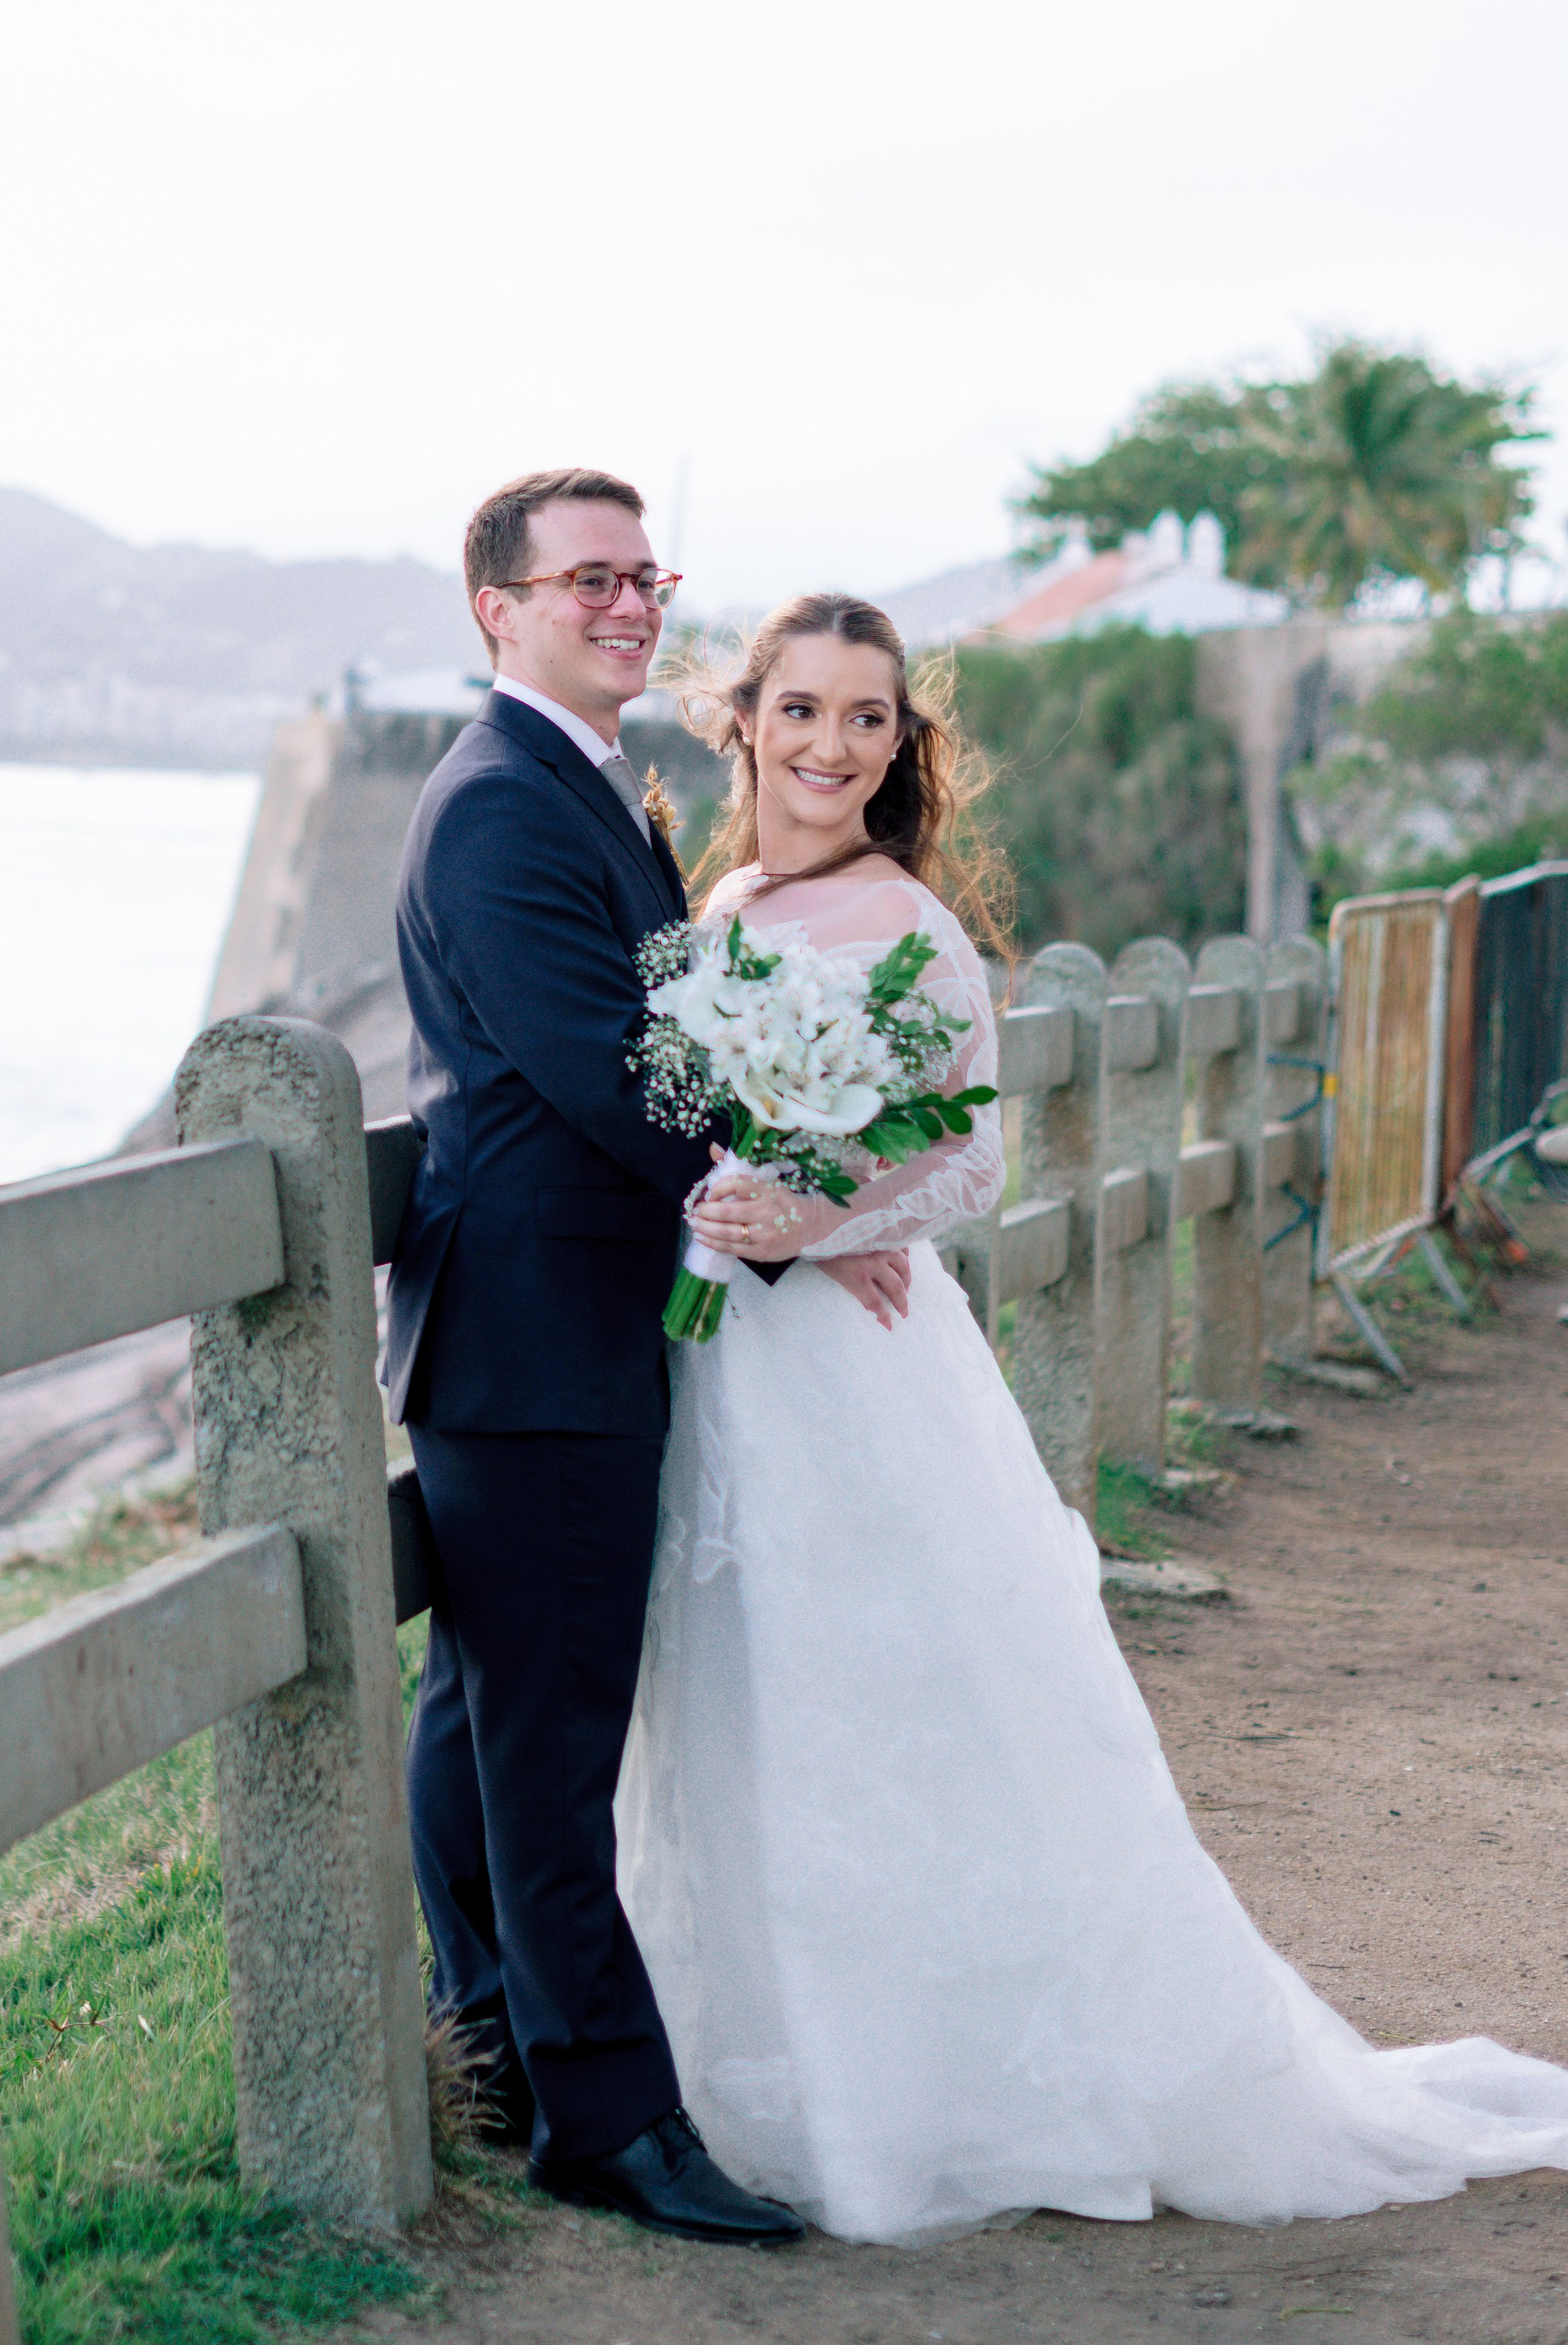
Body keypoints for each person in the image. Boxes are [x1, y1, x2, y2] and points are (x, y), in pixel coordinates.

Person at [614, 589, 1568, 2245]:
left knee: (896, 1693)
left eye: (866, 717)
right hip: (728, 1362)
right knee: (742, 1684)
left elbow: (969, 1159)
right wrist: (738, 1201)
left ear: (900, 743)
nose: (832, 744)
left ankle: (951, 2087)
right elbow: (685, 1117)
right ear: (744, 722)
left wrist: (822, 1219)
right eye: (802, 711)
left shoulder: (903, 919)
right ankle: (757, 2065)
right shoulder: (727, 898)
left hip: (852, 1372)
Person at [385, 471, 901, 2245]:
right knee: (552, 1733)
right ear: (499, 609)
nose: (625, 600)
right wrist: (806, 1192)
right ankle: (606, 2115)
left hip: (555, 1328)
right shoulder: (500, 809)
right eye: (587, 576)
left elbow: (661, 1036)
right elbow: (617, 1071)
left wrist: (797, 1179)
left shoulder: (580, 784)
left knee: (484, 1713)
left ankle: (485, 2044)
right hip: (536, 1342)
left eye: (643, 571)